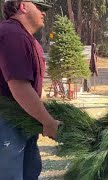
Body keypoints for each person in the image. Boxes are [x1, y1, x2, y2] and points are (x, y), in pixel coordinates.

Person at [0, 0, 60, 179]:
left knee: (30, 172)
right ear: (23, 5)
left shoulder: (28, 39)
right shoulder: (11, 34)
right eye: (39, 7)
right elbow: (19, 85)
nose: (44, 12)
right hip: (6, 123)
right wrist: (48, 121)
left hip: (23, 121)